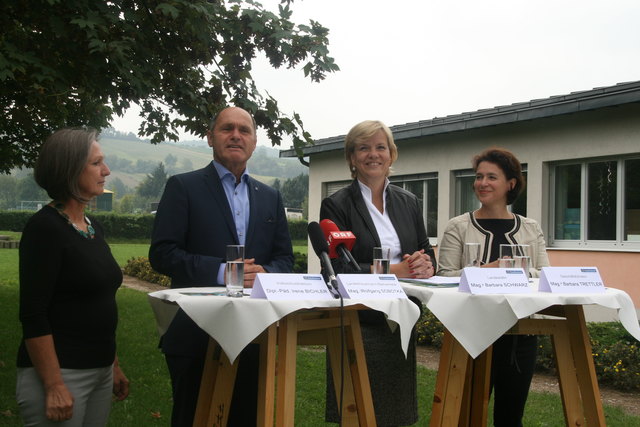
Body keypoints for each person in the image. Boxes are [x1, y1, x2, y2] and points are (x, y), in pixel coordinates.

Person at [149, 106, 294, 426]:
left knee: (247, 417)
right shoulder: (183, 187)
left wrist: (266, 273)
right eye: (227, 128)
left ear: (255, 142)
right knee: (194, 417)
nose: (236, 135)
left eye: (245, 130)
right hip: (196, 332)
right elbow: (162, 253)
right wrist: (223, 271)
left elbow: (286, 258)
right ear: (210, 137)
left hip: (256, 333)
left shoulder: (270, 196)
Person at [320, 120, 436, 426]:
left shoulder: (408, 202)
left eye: (380, 147)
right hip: (360, 318)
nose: (374, 154)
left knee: (396, 413)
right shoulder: (336, 205)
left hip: (400, 315)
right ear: (352, 158)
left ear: (391, 154)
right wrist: (393, 271)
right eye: (364, 147)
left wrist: (427, 265)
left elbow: (426, 249)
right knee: (357, 411)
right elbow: (337, 269)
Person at [16, 128, 129, 426]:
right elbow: (33, 313)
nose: (106, 171)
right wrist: (53, 385)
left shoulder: (92, 227)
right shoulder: (45, 230)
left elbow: (101, 301)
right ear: (68, 169)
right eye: (96, 163)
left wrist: (113, 365)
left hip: (100, 369)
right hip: (62, 375)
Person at [437, 147, 550, 427]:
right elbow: (445, 276)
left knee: (511, 418)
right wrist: (487, 270)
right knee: (467, 414)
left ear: (511, 184)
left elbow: (544, 273)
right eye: (478, 177)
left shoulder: (530, 227)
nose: (482, 183)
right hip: (471, 331)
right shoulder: (458, 226)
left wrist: (506, 269)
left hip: (521, 333)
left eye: (491, 177)